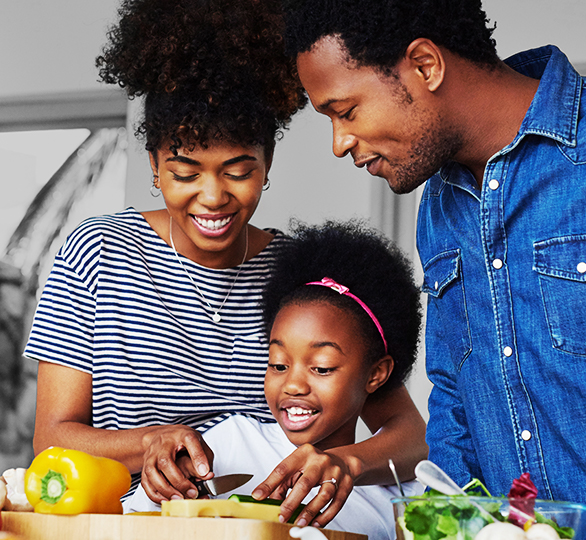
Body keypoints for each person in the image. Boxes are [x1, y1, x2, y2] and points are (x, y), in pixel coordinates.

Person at [279, 1, 586, 539]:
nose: (339, 143)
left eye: (345, 111)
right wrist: (440, 526)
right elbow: (455, 399)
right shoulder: (440, 208)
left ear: (425, 66)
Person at [23, 0, 427, 528]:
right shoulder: (96, 252)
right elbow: (52, 441)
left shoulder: (298, 274)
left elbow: (411, 434)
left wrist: (341, 463)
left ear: (267, 164)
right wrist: (153, 443)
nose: (212, 198)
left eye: (238, 171)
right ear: (153, 165)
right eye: (185, 173)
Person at [128, 220, 424, 537]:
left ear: (376, 374)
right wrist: (169, 487)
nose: (293, 385)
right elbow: (131, 523)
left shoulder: (398, 494)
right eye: (278, 364)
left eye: (322, 368)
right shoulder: (228, 443)